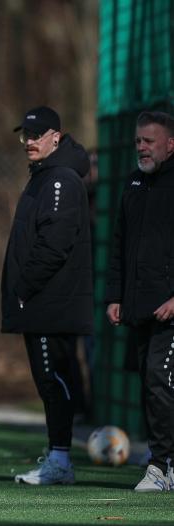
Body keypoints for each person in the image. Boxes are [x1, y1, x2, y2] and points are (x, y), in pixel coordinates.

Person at [1, 106, 92, 485]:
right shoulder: (43, 176)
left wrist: (24, 286)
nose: (29, 142)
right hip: (40, 302)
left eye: (37, 135)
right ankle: (58, 457)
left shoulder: (60, 180)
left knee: (53, 378)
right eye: (26, 135)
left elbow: (54, 243)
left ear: (57, 137)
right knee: (47, 380)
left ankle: (60, 460)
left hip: (49, 302)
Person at [105, 110, 174, 492]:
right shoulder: (133, 182)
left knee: (158, 381)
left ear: (170, 144)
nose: (142, 148)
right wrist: (115, 295)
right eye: (138, 141)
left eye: (149, 141)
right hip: (140, 306)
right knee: (150, 384)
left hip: (170, 309)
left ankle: (160, 467)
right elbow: (119, 244)